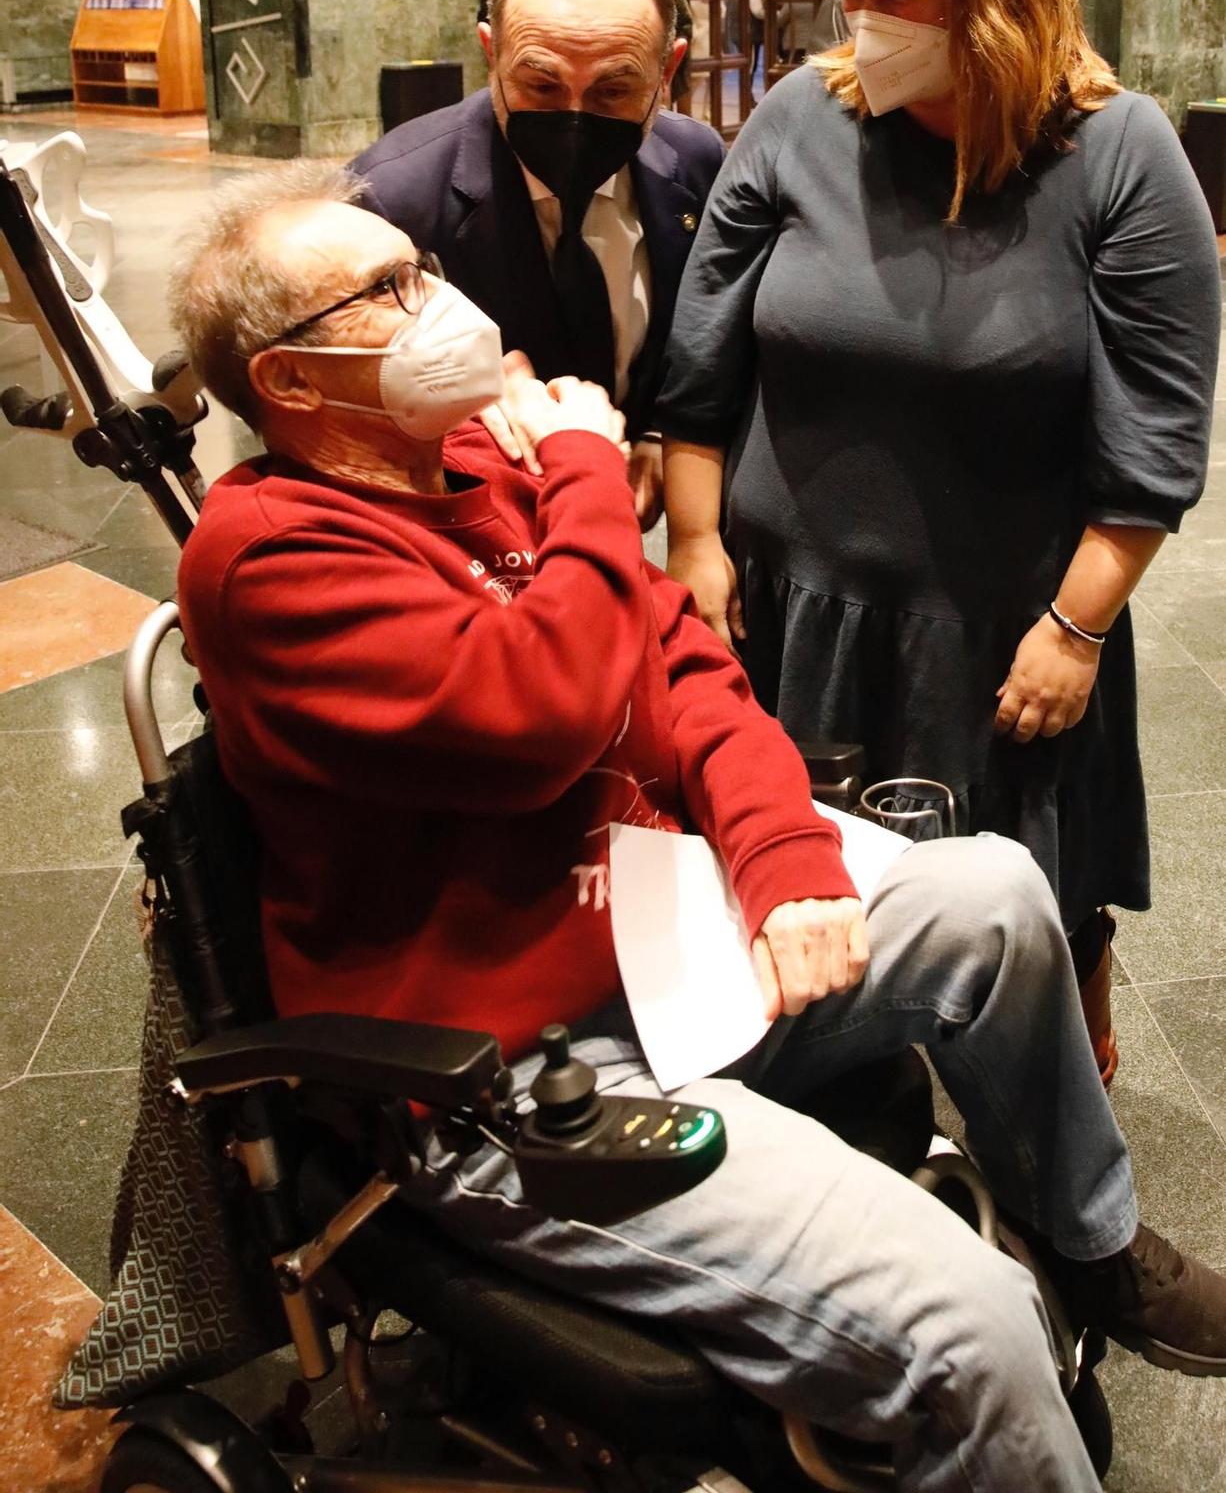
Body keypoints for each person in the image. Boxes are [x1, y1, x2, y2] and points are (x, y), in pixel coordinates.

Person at [170, 161, 1226, 1493]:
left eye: (420, 266)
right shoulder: (269, 559)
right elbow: (540, 705)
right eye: (387, 289)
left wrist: (782, 864)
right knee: (964, 1325)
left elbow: (677, 663)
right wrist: (585, 478)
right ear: (290, 384)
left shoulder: (478, 477)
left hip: (667, 956)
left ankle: (1089, 1241)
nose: (436, 299)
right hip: (511, 1077)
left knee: (1000, 903)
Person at [657, 0, 1222, 1083]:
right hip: (784, 612)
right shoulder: (802, 117)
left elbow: (1155, 438)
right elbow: (698, 364)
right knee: (804, 907)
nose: (861, 22)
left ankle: (1055, 1164)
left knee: (1025, 918)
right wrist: (694, 540)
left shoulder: (1115, 156)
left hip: (999, 630)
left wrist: (1074, 630)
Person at [349, 0, 725, 529]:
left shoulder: (696, 163)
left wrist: (662, 432)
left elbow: (705, 330)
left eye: (613, 91)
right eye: (541, 84)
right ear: (491, 51)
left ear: (667, 69)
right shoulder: (390, 202)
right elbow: (340, 423)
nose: (575, 117)